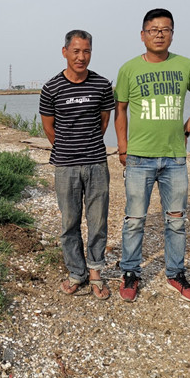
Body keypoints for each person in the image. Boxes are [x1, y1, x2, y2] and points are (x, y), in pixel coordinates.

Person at [114, 8, 190, 303]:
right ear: (142, 34)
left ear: (172, 33)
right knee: (134, 219)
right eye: (153, 29)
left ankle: (176, 273)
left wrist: (187, 129)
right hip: (139, 158)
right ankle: (130, 272)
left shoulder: (186, 66)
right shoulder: (129, 69)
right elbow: (120, 109)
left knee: (176, 220)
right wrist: (123, 146)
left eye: (165, 29)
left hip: (174, 159)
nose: (159, 34)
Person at [40, 30, 115, 300]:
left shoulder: (102, 85)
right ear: (65, 52)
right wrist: (68, 148)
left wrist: (87, 145)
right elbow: (49, 128)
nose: (81, 57)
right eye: (76, 51)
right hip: (66, 166)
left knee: (98, 221)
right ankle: (76, 272)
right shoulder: (51, 88)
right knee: (69, 222)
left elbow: (103, 122)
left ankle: (95, 271)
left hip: (96, 163)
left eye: (86, 51)